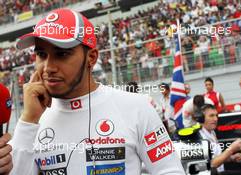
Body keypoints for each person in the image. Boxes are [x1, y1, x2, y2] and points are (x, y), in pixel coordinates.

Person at [9, 9, 185, 175]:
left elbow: (170, 171)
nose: (48, 67)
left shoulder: (137, 107)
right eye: (41, 54)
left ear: (91, 58)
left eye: (61, 54)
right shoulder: (31, 120)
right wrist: (28, 121)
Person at [199, 104, 241, 173]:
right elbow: (211, 164)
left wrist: (232, 158)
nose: (216, 119)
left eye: (216, 115)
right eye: (211, 116)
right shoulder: (199, 136)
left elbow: (216, 157)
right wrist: (231, 149)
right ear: (201, 118)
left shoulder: (212, 132)